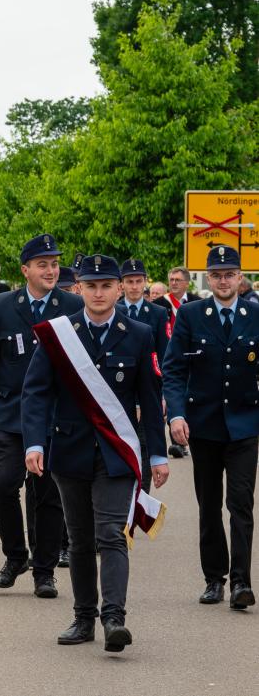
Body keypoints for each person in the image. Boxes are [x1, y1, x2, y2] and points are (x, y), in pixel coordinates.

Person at [22, 254, 168, 653]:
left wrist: (157, 454)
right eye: (91, 285)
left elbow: (149, 399)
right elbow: (36, 391)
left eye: (106, 285)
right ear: (79, 289)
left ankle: (114, 618)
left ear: (120, 289)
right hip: (69, 449)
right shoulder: (59, 334)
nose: (99, 293)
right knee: (81, 539)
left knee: (111, 535)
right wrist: (34, 443)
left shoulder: (138, 333)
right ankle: (84, 617)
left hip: (117, 453)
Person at [0, 234, 83, 599]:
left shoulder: (72, 305)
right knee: (3, 485)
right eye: (43, 264)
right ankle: (16, 557)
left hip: (54, 417)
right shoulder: (3, 305)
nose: (51, 270)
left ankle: (44, 570)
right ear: (25, 270)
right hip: (9, 413)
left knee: (46, 494)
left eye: (54, 264)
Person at [162, 245, 259, 611]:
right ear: (208, 277)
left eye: (229, 274)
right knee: (208, 506)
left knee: (241, 504)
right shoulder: (190, 315)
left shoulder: (256, 314)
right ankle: (213, 578)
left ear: (239, 277)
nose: (223, 281)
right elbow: (173, 370)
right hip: (202, 426)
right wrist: (176, 414)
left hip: (245, 425)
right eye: (216, 275)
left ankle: (240, 582)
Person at [116, 258, 170, 491]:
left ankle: (141, 498)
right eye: (130, 281)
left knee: (146, 445)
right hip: (119, 390)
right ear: (122, 284)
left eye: (139, 281)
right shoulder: (113, 309)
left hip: (148, 388)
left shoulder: (157, 313)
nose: (135, 286)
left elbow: (164, 354)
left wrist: (165, 393)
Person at [152, 265, 196, 458]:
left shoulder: (197, 303)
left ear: (187, 282)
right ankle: (175, 440)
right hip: (166, 355)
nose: (174, 283)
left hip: (192, 356)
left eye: (178, 280)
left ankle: (184, 435)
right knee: (169, 392)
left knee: (186, 394)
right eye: (171, 280)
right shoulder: (160, 303)